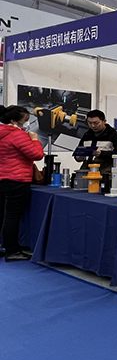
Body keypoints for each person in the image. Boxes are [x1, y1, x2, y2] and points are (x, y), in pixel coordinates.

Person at [0, 105, 44, 262]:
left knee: (2, 215)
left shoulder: (2, 133)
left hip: (2, 179)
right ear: (14, 121)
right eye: (24, 120)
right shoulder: (17, 135)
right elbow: (37, 155)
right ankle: (12, 251)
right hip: (17, 180)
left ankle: (6, 247)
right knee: (12, 217)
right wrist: (35, 140)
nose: (26, 123)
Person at [74, 110, 117, 175]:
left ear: (104, 121)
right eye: (90, 123)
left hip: (106, 171)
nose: (93, 126)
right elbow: (79, 150)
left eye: (96, 123)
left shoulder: (114, 136)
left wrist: (101, 154)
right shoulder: (87, 135)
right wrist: (78, 157)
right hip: (87, 170)